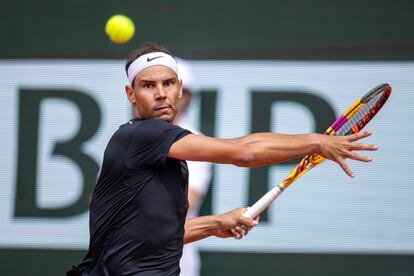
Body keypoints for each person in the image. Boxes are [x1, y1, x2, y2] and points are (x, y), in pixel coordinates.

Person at [68, 41, 377, 276]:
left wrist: (215, 224)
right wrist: (316, 142)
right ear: (131, 94)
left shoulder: (162, 156)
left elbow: (149, 234)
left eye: (168, 83)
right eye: (148, 86)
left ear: (179, 91)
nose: (161, 93)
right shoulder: (142, 135)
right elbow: (244, 152)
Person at [174, 58, 212, 276]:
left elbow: (186, 201)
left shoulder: (196, 143)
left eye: (176, 88)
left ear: (187, 97)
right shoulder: (123, 138)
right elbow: (100, 201)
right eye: (151, 86)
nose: (163, 95)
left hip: (176, 264)